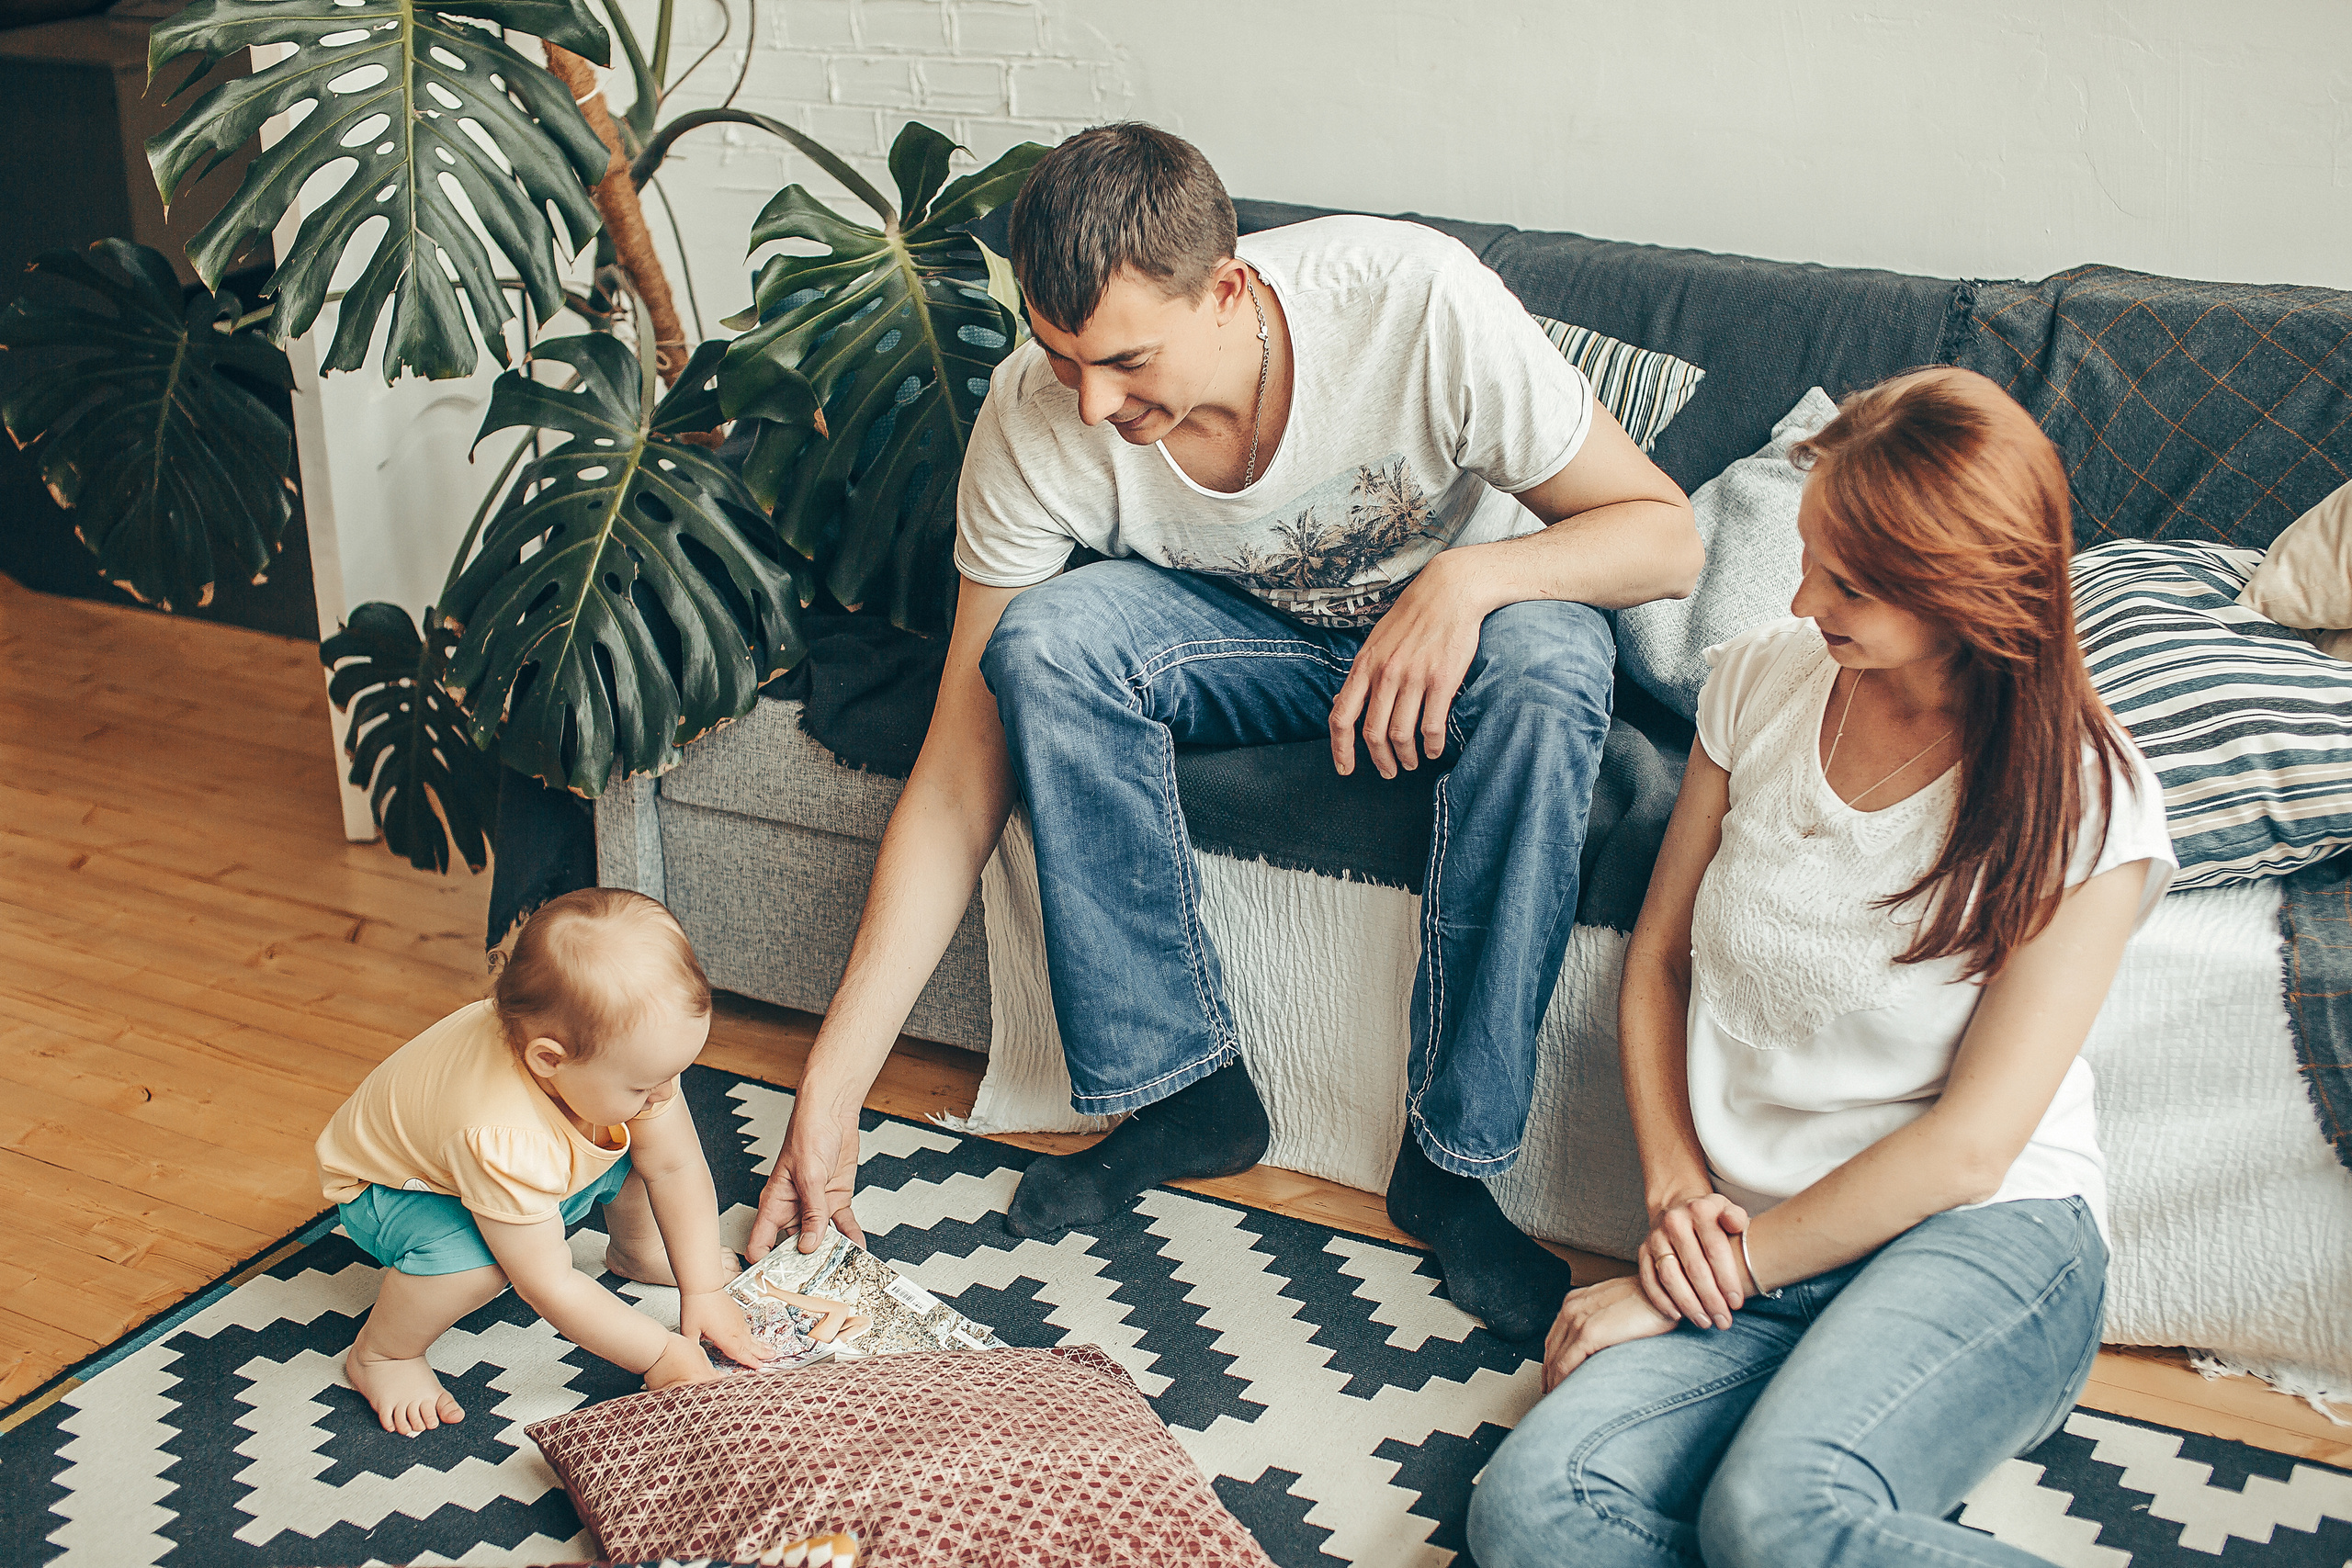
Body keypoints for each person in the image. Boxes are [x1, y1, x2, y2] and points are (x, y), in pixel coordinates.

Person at [744, 121, 1702, 1342]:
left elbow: (1663, 537)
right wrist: (833, 1087)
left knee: (1555, 652)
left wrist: (1466, 584)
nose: (1092, 403)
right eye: (1063, 356)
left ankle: (1452, 1162)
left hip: (1463, 643)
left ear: (1231, 290)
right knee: (1045, 643)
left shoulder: (1414, 303)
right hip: (1252, 643)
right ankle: (1188, 1089)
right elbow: (954, 771)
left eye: (1127, 362)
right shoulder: (1041, 415)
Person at [1464, 367, 2177, 1567]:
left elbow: (1967, 1149)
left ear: (1964, 589)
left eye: (1848, 581)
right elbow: (1660, 959)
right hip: (1758, 1236)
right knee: (1535, 1513)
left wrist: (1709, 1275)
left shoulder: (2089, 801)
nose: (1802, 598)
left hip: (1978, 1237)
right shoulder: (1761, 677)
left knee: (1775, 1515)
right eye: (1809, 554)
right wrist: (1677, 1190)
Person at [317, 887, 862, 1437]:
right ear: (549, 1059)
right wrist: (657, 1355)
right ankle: (384, 1354)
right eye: (645, 1083)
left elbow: (675, 1167)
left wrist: (703, 1290)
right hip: (392, 1193)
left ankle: (637, 1251)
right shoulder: (501, 1134)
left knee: (630, 1139)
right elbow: (547, 1283)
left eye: (671, 1073)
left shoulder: (601, 1071)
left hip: (504, 1165)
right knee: (484, 1260)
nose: (663, 1094)